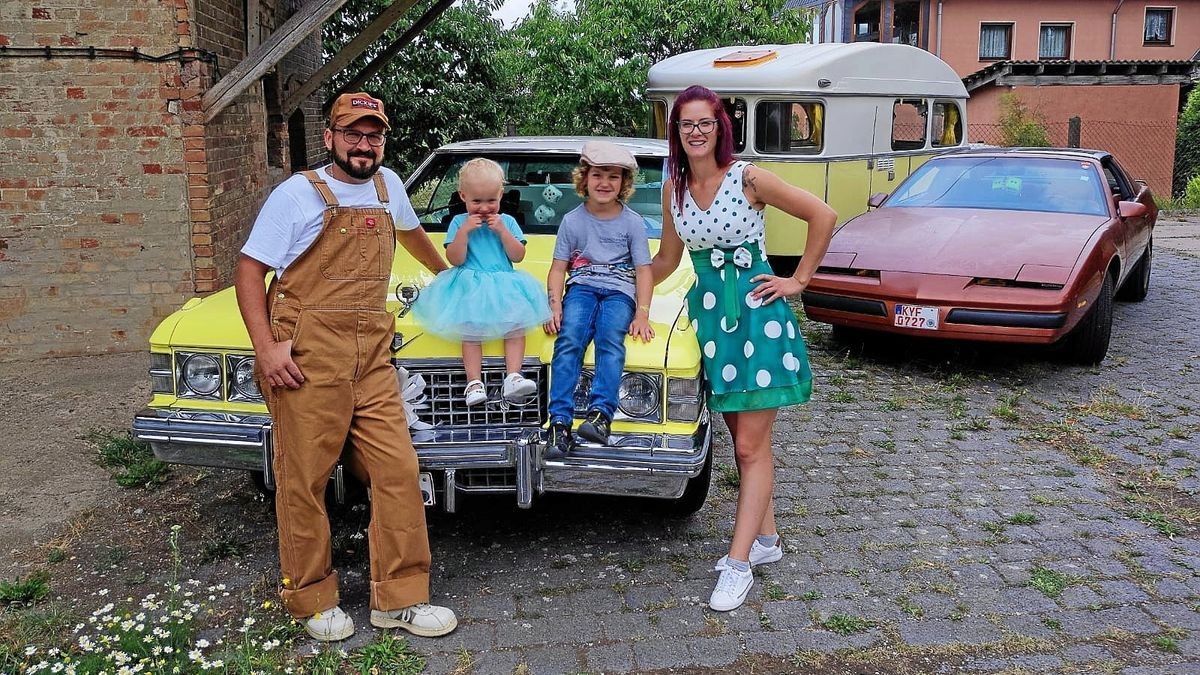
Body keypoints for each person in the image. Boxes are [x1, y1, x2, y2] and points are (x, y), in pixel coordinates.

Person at [233, 92, 457, 642]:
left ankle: (399, 599)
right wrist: (266, 348)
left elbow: (411, 235)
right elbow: (249, 270)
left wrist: (452, 273)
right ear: (329, 137)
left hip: (373, 359)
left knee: (398, 471)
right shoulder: (297, 195)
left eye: (373, 135)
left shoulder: (389, 188)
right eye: (352, 134)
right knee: (303, 480)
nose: (364, 145)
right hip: (308, 358)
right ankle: (311, 598)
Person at [649, 85, 836, 612]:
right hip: (711, 318)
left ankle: (738, 565)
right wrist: (620, 278)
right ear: (676, 131)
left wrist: (797, 280)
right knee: (743, 441)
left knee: (751, 447)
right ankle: (768, 541)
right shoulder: (674, 188)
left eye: (705, 122)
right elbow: (665, 261)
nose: (696, 131)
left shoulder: (747, 177)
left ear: (720, 126)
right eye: (686, 124)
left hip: (757, 316)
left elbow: (822, 215)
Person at [543, 141, 655, 457]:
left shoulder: (633, 222)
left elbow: (643, 271)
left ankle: (600, 415)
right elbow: (558, 268)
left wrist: (642, 313)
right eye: (597, 175)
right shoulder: (572, 220)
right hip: (581, 289)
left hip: (620, 292)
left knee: (610, 339)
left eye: (613, 177)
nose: (605, 183)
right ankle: (559, 424)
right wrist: (554, 305)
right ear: (584, 178)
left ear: (624, 183)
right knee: (569, 340)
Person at [411, 159, 549, 405]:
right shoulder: (457, 223)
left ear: (500, 195)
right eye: (476, 201)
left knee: (516, 327)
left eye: (491, 201)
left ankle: (513, 377)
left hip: (505, 284)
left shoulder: (507, 222)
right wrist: (464, 232)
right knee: (471, 332)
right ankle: (474, 382)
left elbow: (517, 255)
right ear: (463, 196)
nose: (484, 208)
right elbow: (455, 259)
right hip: (470, 284)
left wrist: (502, 232)